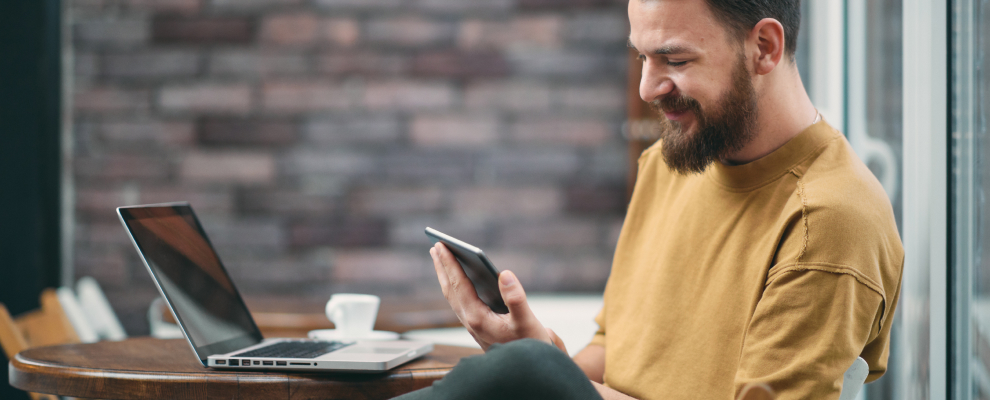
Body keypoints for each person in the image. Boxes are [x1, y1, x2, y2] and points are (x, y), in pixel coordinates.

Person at [395, 0, 903, 399]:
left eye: (675, 59)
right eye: (642, 56)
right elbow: (613, 351)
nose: (646, 88)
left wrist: (545, 378)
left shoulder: (829, 221)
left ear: (765, 47)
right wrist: (542, 354)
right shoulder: (669, 164)